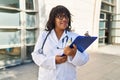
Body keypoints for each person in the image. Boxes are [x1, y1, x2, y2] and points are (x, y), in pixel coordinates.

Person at [31, 5, 89, 80]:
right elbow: (36, 55)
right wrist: (53, 61)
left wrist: (74, 54)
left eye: (66, 17)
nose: (64, 19)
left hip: (67, 77)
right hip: (47, 77)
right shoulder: (44, 35)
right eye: (60, 17)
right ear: (53, 19)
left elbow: (85, 58)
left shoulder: (74, 37)